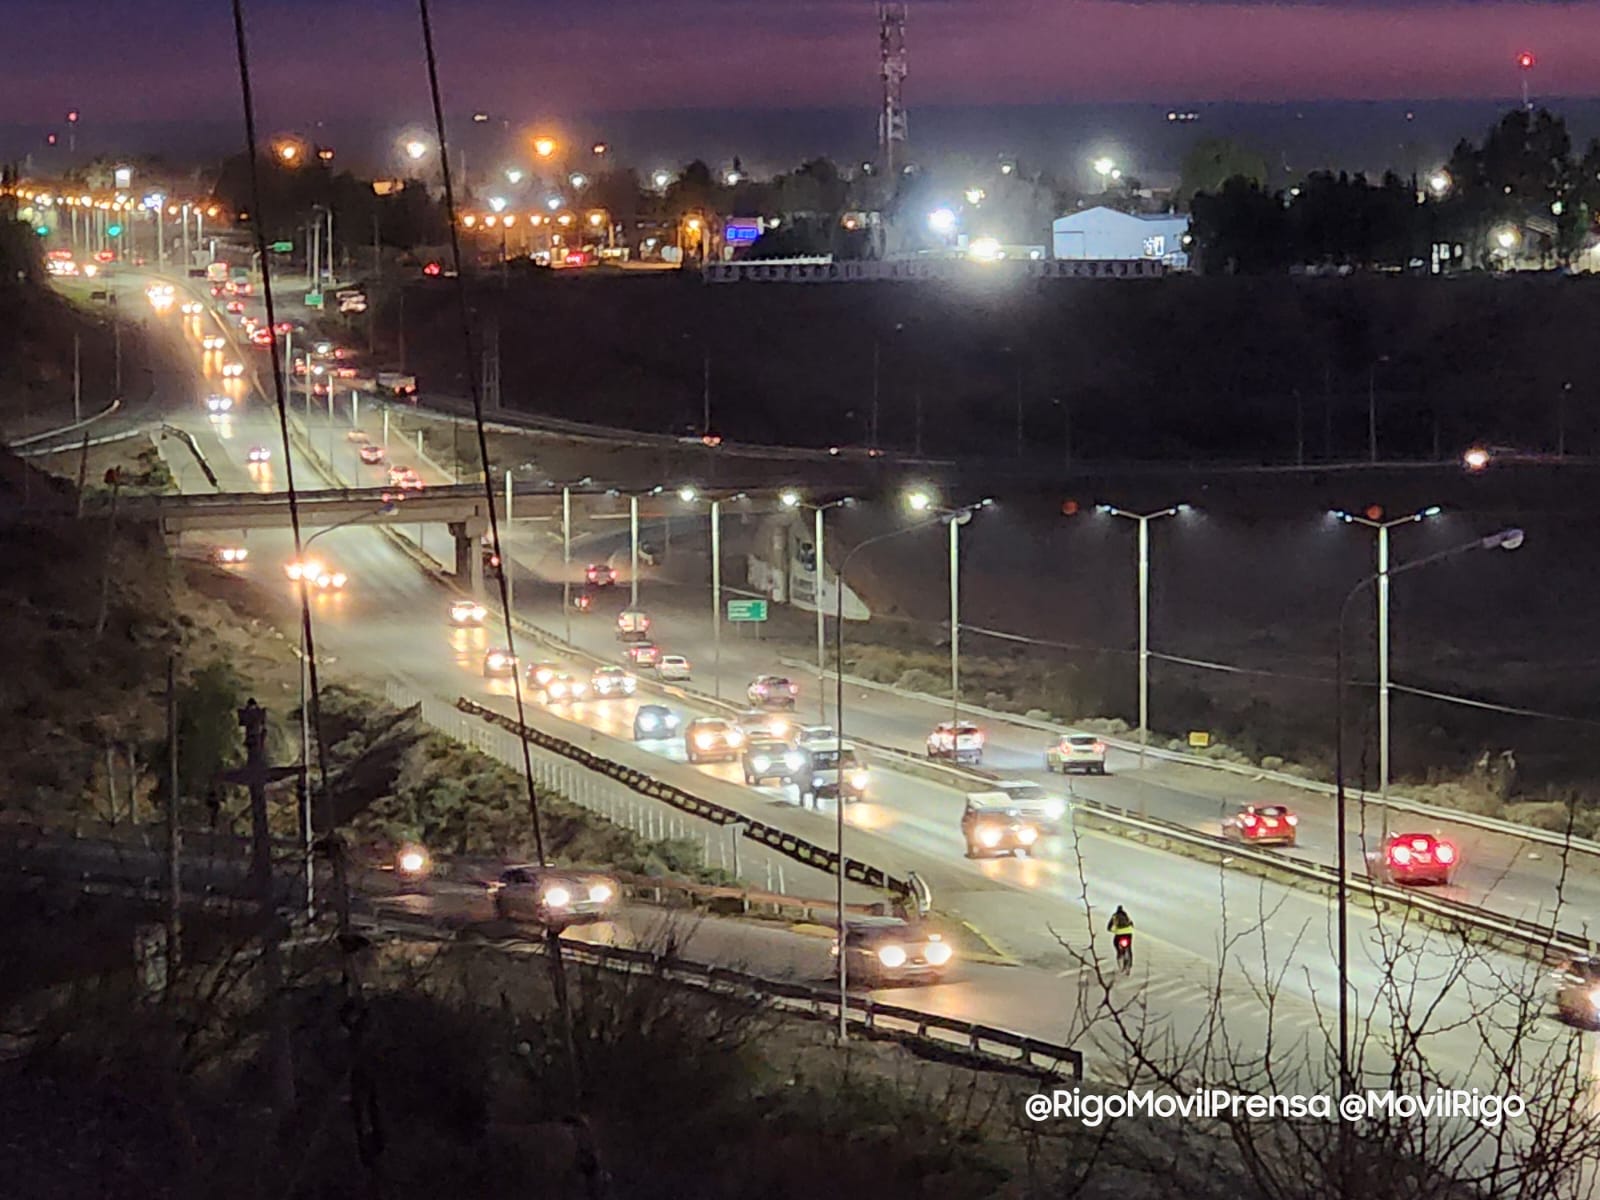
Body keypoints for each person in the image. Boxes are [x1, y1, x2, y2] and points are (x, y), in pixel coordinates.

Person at [1107, 905, 1135, 974]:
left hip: (1119, 934)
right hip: (1128, 933)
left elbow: (1109, 927)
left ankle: (1119, 954)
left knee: (1115, 943)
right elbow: (1132, 924)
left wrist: (1111, 930)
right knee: (1129, 948)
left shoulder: (1114, 916)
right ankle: (1130, 964)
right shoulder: (1126, 915)